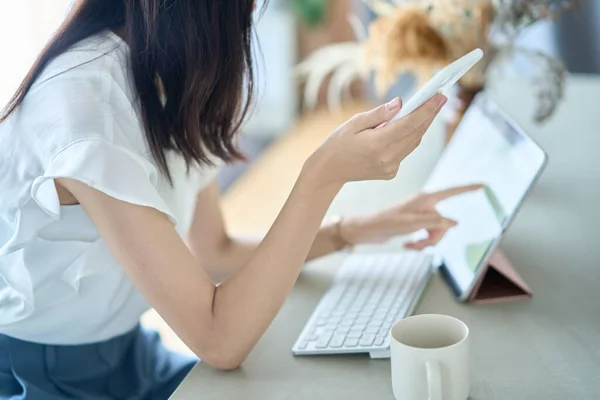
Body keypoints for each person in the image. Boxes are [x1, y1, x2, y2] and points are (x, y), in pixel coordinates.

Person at [0, 0, 481, 398]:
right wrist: (321, 175)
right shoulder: (86, 109)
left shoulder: (170, 70)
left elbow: (213, 251)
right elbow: (219, 340)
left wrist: (350, 231)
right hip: (41, 375)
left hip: (129, 354)